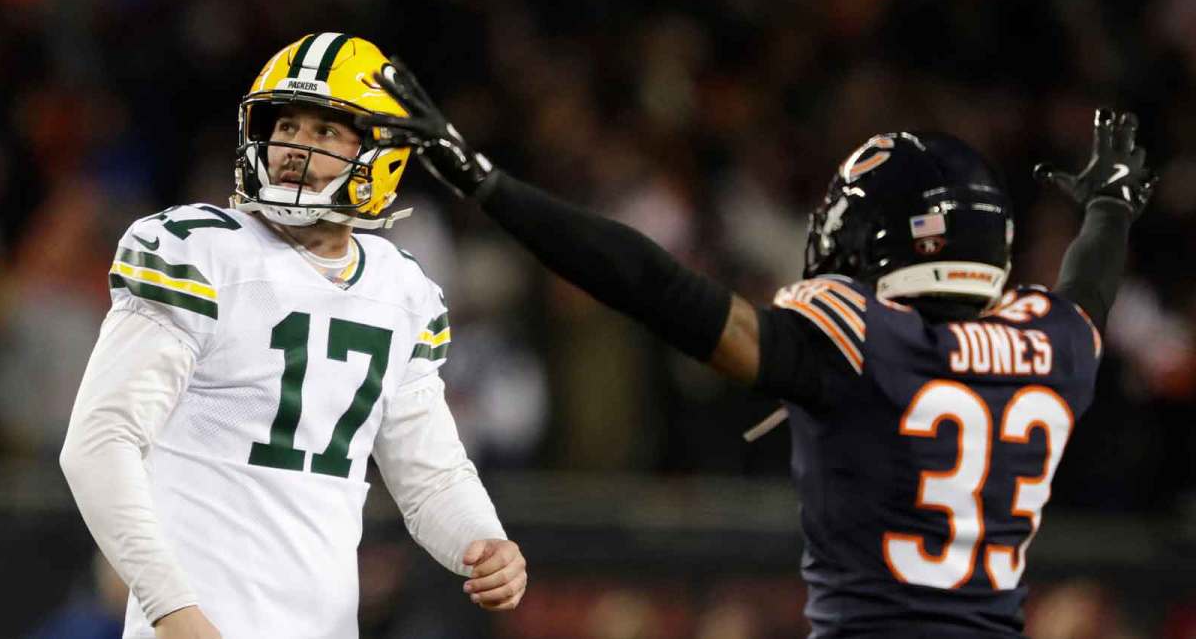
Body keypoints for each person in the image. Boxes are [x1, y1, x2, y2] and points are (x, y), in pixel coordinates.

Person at [362, 59, 1154, 637]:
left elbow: (656, 288)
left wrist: (488, 184)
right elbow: (1091, 286)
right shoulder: (1051, 343)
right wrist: (1111, 206)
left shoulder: (861, 342)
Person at [59, 34, 527, 639]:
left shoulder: (401, 289)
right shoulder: (198, 250)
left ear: (383, 151)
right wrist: (172, 611)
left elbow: (431, 476)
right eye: (286, 127)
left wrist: (482, 540)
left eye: (326, 131)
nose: (294, 148)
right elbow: (98, 442)